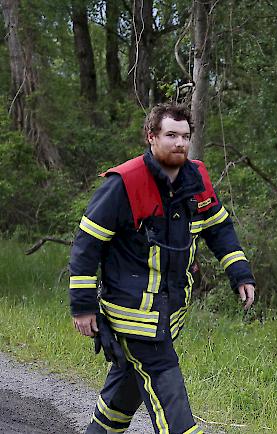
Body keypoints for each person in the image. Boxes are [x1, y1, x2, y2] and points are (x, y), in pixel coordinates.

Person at [69, 103, 255, 434]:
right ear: (151, 137)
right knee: (174, 413)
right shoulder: (123, 183)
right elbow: (86, 245)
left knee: (122, 396)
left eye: (185, 136)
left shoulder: (196, 179)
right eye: (171, 135)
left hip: (169, 315)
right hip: (135, 318)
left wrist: (239, 273)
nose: (179, 143)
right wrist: (83, 307)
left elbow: (219, 229)